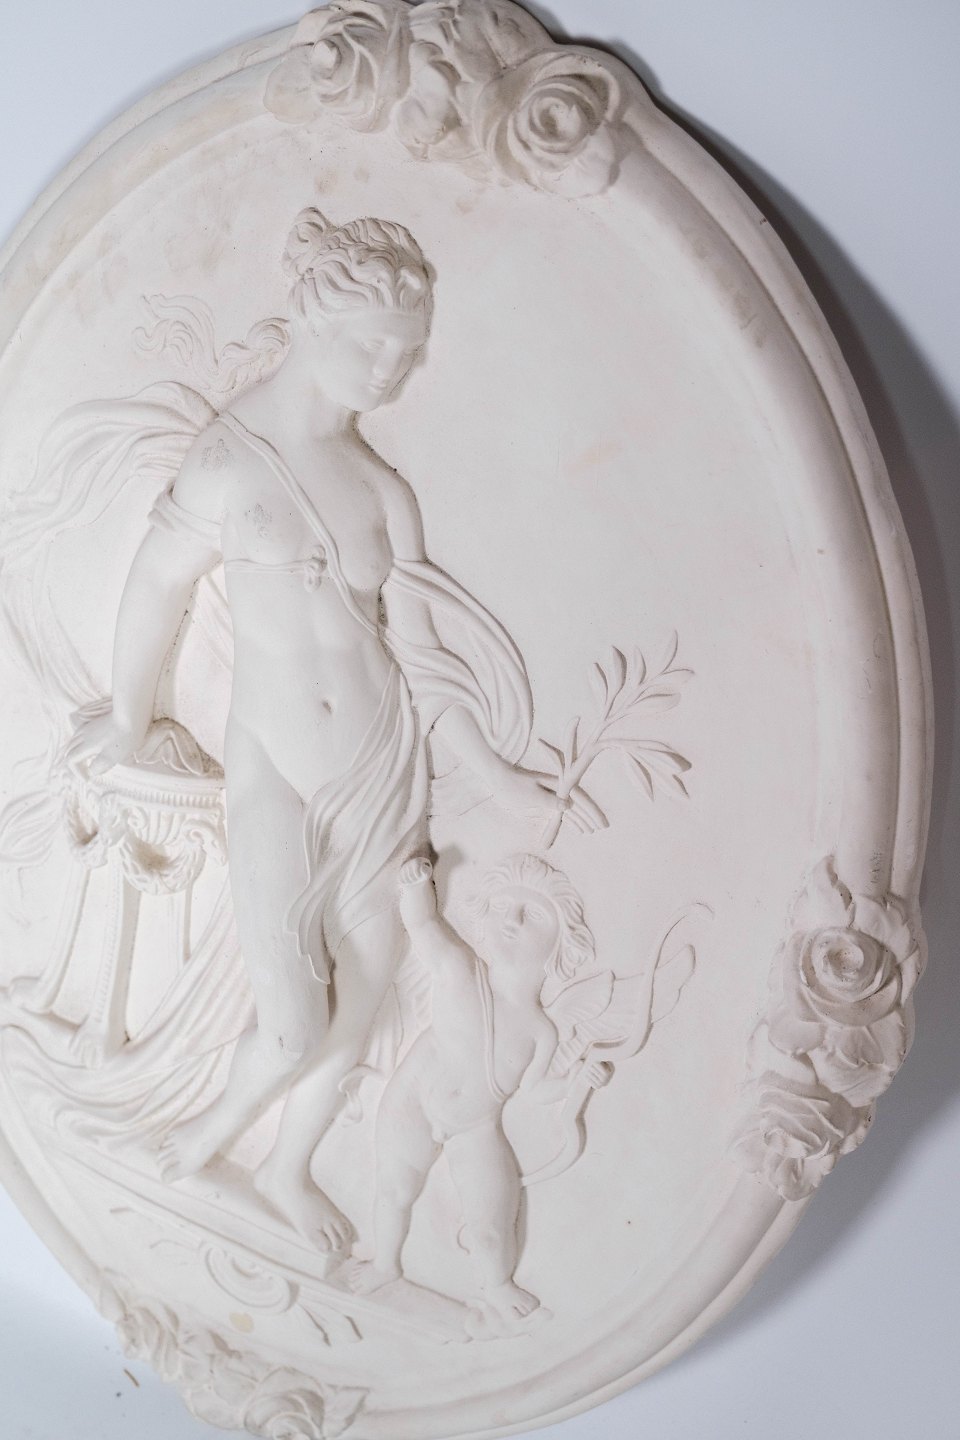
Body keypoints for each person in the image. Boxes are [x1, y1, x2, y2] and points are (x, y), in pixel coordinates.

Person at [64, 208, 601, 1250]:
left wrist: (496, 780)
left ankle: (289, 1169)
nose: (394, 373)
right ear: (314, 320)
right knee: (293, 1020)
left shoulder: (384, 491)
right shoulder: (230, 460)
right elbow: (156, 585)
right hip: (277, 770)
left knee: (360, 1006)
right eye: (376, 347)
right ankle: (205, 1136)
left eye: (411, 354)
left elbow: (427, 662)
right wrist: (129, 715)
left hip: (383, 770)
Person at [349, 853, 604, 1327]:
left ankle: (497, 1287)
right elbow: (423, 925)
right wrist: (415, 887)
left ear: (560, 943)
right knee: (395, 1190)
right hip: (415, 1099)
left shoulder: (540, 1031)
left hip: (477, 1126)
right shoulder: (461, 971)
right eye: (504, 907)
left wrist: (577, 1080)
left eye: (533, 914)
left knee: (491, 1224)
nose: (513, 920)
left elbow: (535, 1090)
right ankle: (385, 1264)